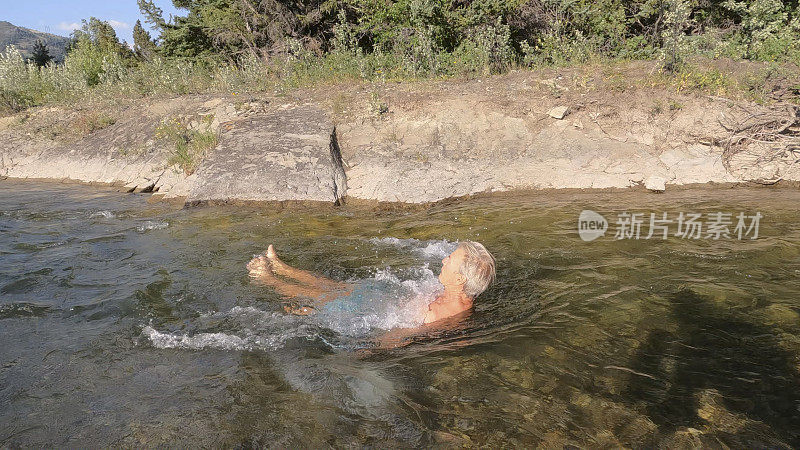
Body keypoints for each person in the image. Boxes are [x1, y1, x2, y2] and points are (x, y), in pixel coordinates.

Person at [247, 241, 495, 325]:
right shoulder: (453, 293)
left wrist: (367, 352)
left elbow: (402, 336)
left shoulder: (448, 315)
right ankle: (282, 268)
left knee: (324, 298)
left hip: (367, 315)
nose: (443, 259)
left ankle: (268, 279)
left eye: (449, 259)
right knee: (335, 287)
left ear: (460, 279)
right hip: (381, 299)